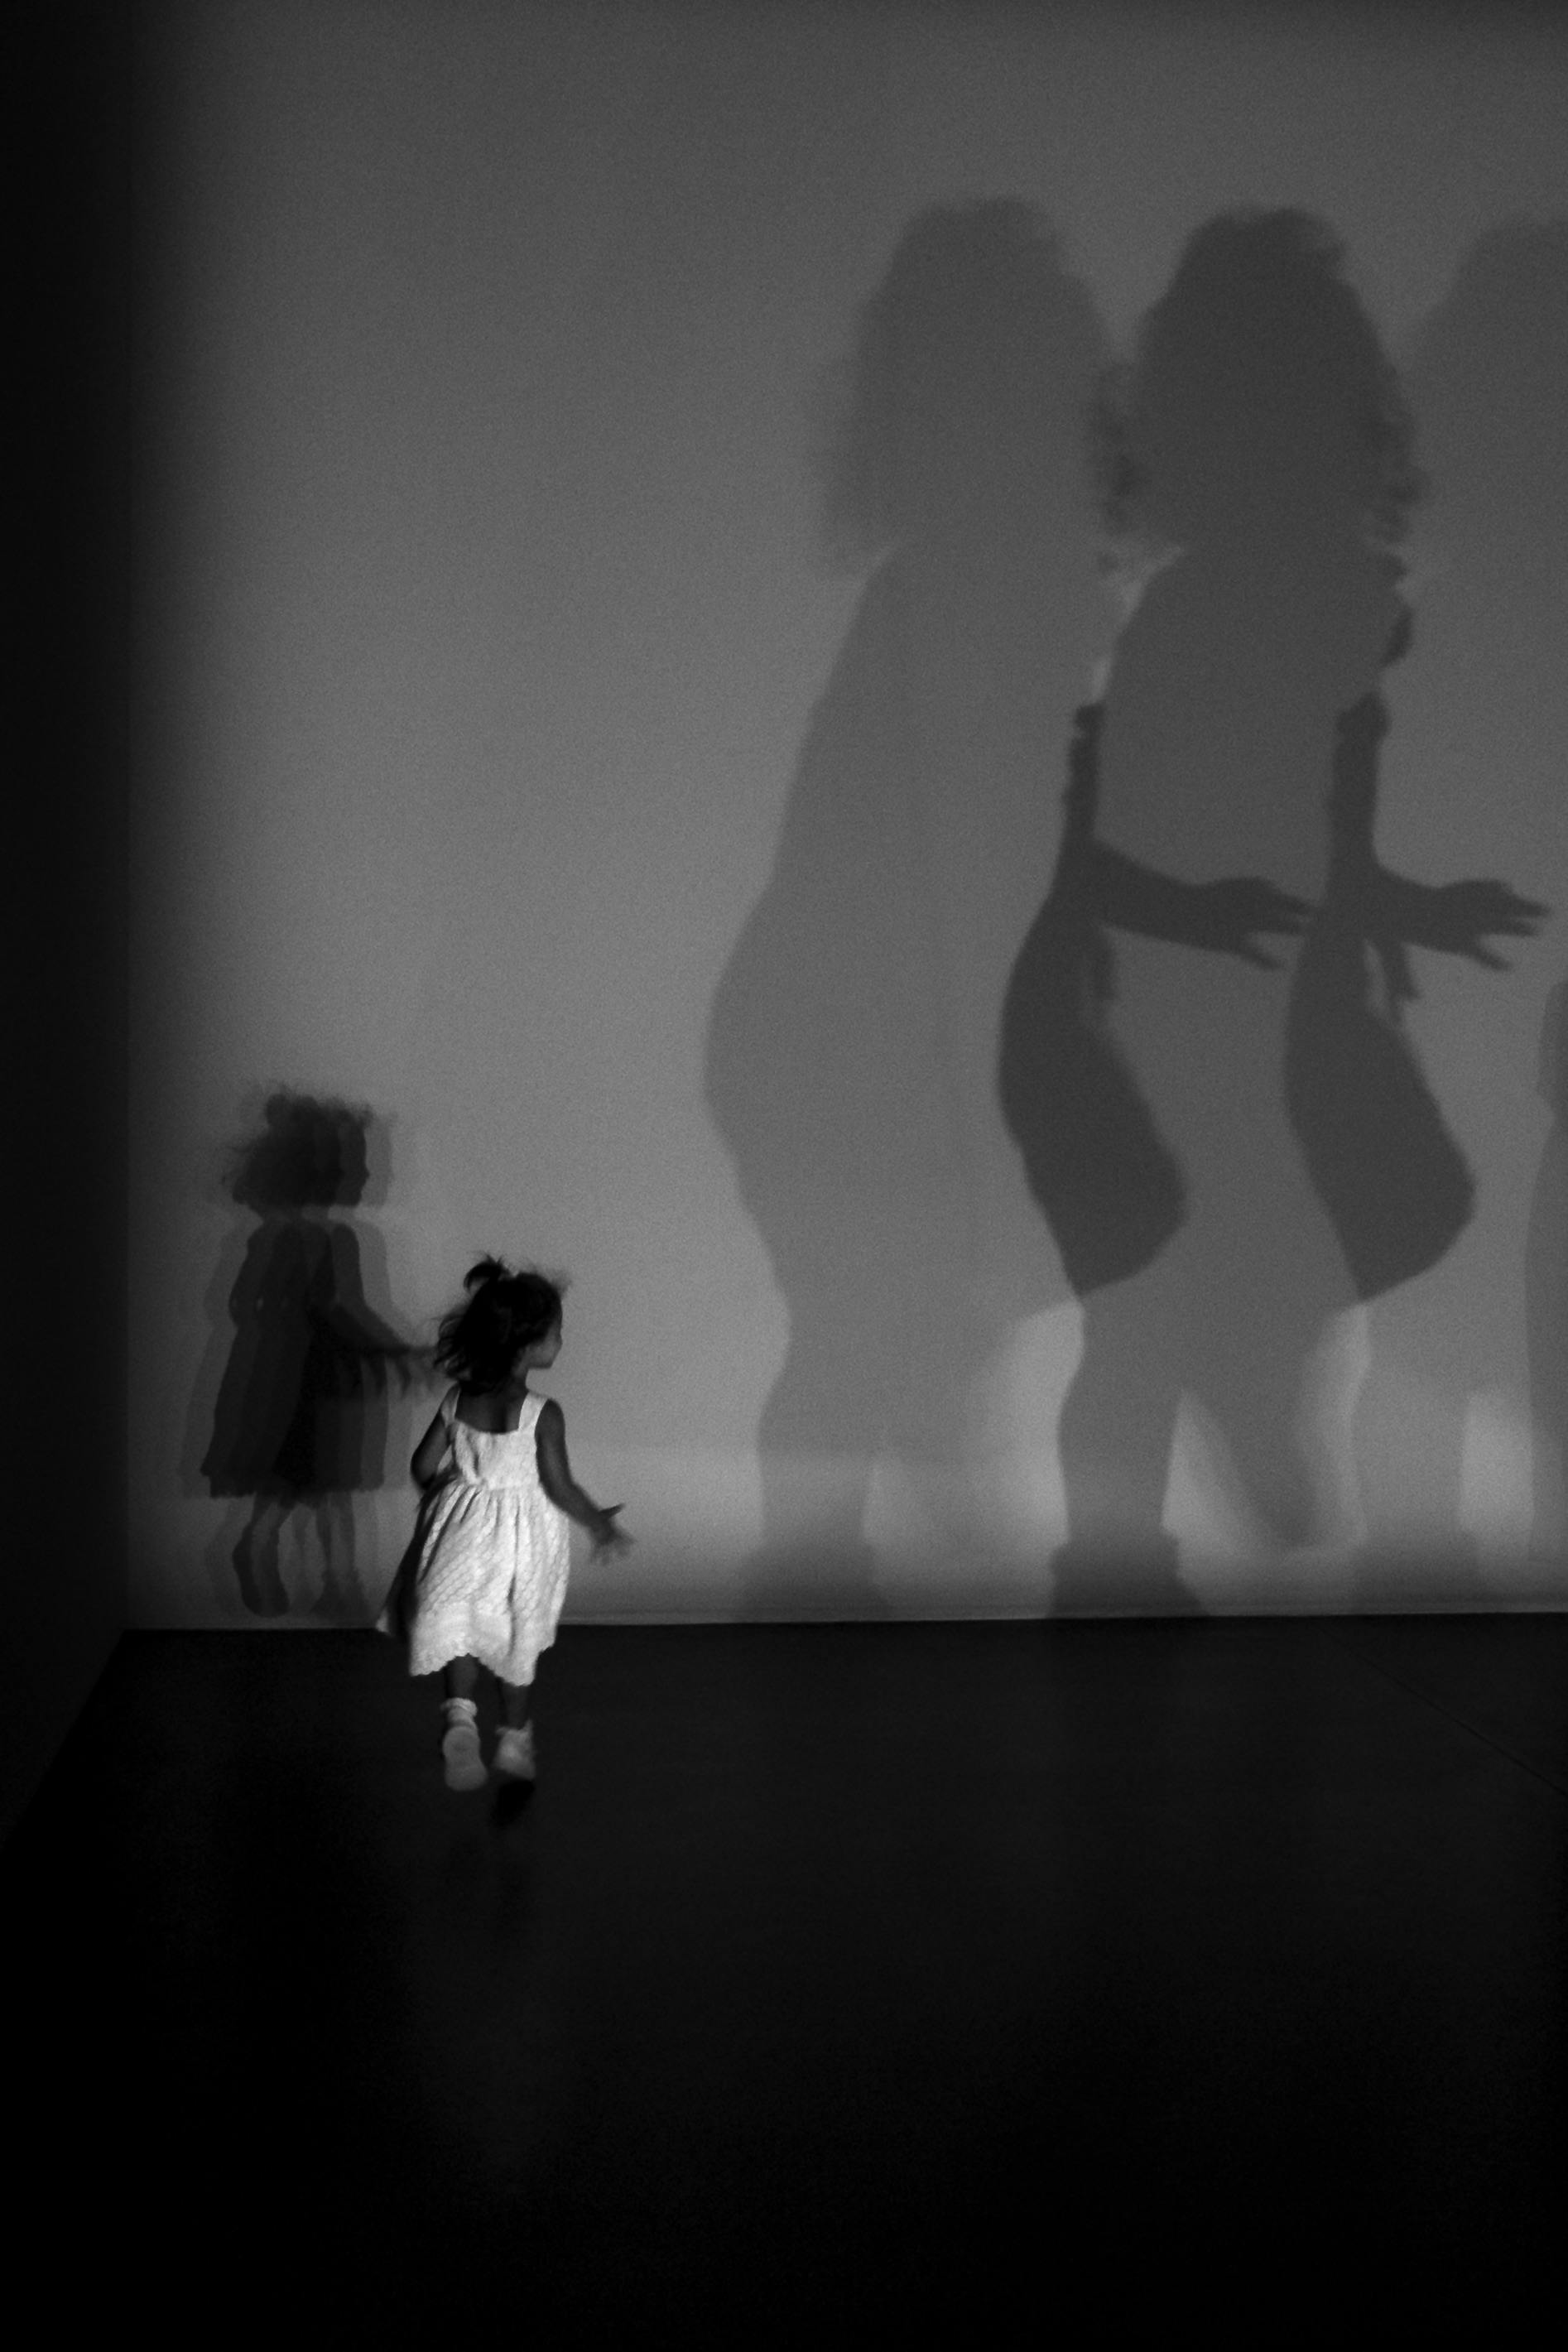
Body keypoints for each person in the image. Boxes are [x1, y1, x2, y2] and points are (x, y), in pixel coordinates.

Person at [393, 1256, 628, 1790]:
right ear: (526, 1346)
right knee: (514, 1636)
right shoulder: (543, 1413)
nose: (561, 1342)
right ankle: (516, 1740)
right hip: (519, 1547)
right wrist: (599, 1522)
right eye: (556, 1333)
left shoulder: (458, 1399)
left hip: (460, 1533)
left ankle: (459, 1717)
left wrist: (451, 1501)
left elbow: (422, 1467)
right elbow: (560, 1487)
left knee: (461, 1629)